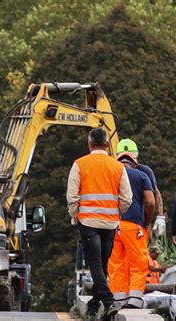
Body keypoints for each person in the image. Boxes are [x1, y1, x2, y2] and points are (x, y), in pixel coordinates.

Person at [67, 128, 133, 319]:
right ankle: (95, 306)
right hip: (110, 223)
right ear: (107, 144)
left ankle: (106, 300)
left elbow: (72, 196)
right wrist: (116, 213)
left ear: (89, 144)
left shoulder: (79, 164)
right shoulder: (118, 166)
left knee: (95, 263)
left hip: (87, 221)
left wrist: (75, 215)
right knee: (102, 264)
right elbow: (127, 198)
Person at [108, 152, 155, 308]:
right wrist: (146, 223)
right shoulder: (141, 176)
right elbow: (150, 203)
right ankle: (134, 300)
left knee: (115, 264)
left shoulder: (110, 175)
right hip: (133, 224)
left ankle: (118, 300)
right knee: (138, 262)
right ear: (134, 164)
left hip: (112, 225)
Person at [117, 139, 165, 237]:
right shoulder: (144, 173)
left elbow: (155, 194)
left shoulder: (111, 171)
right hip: (136, 221)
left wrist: (160, 216)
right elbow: (153, 199)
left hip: (116, 222)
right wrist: (159, 216)